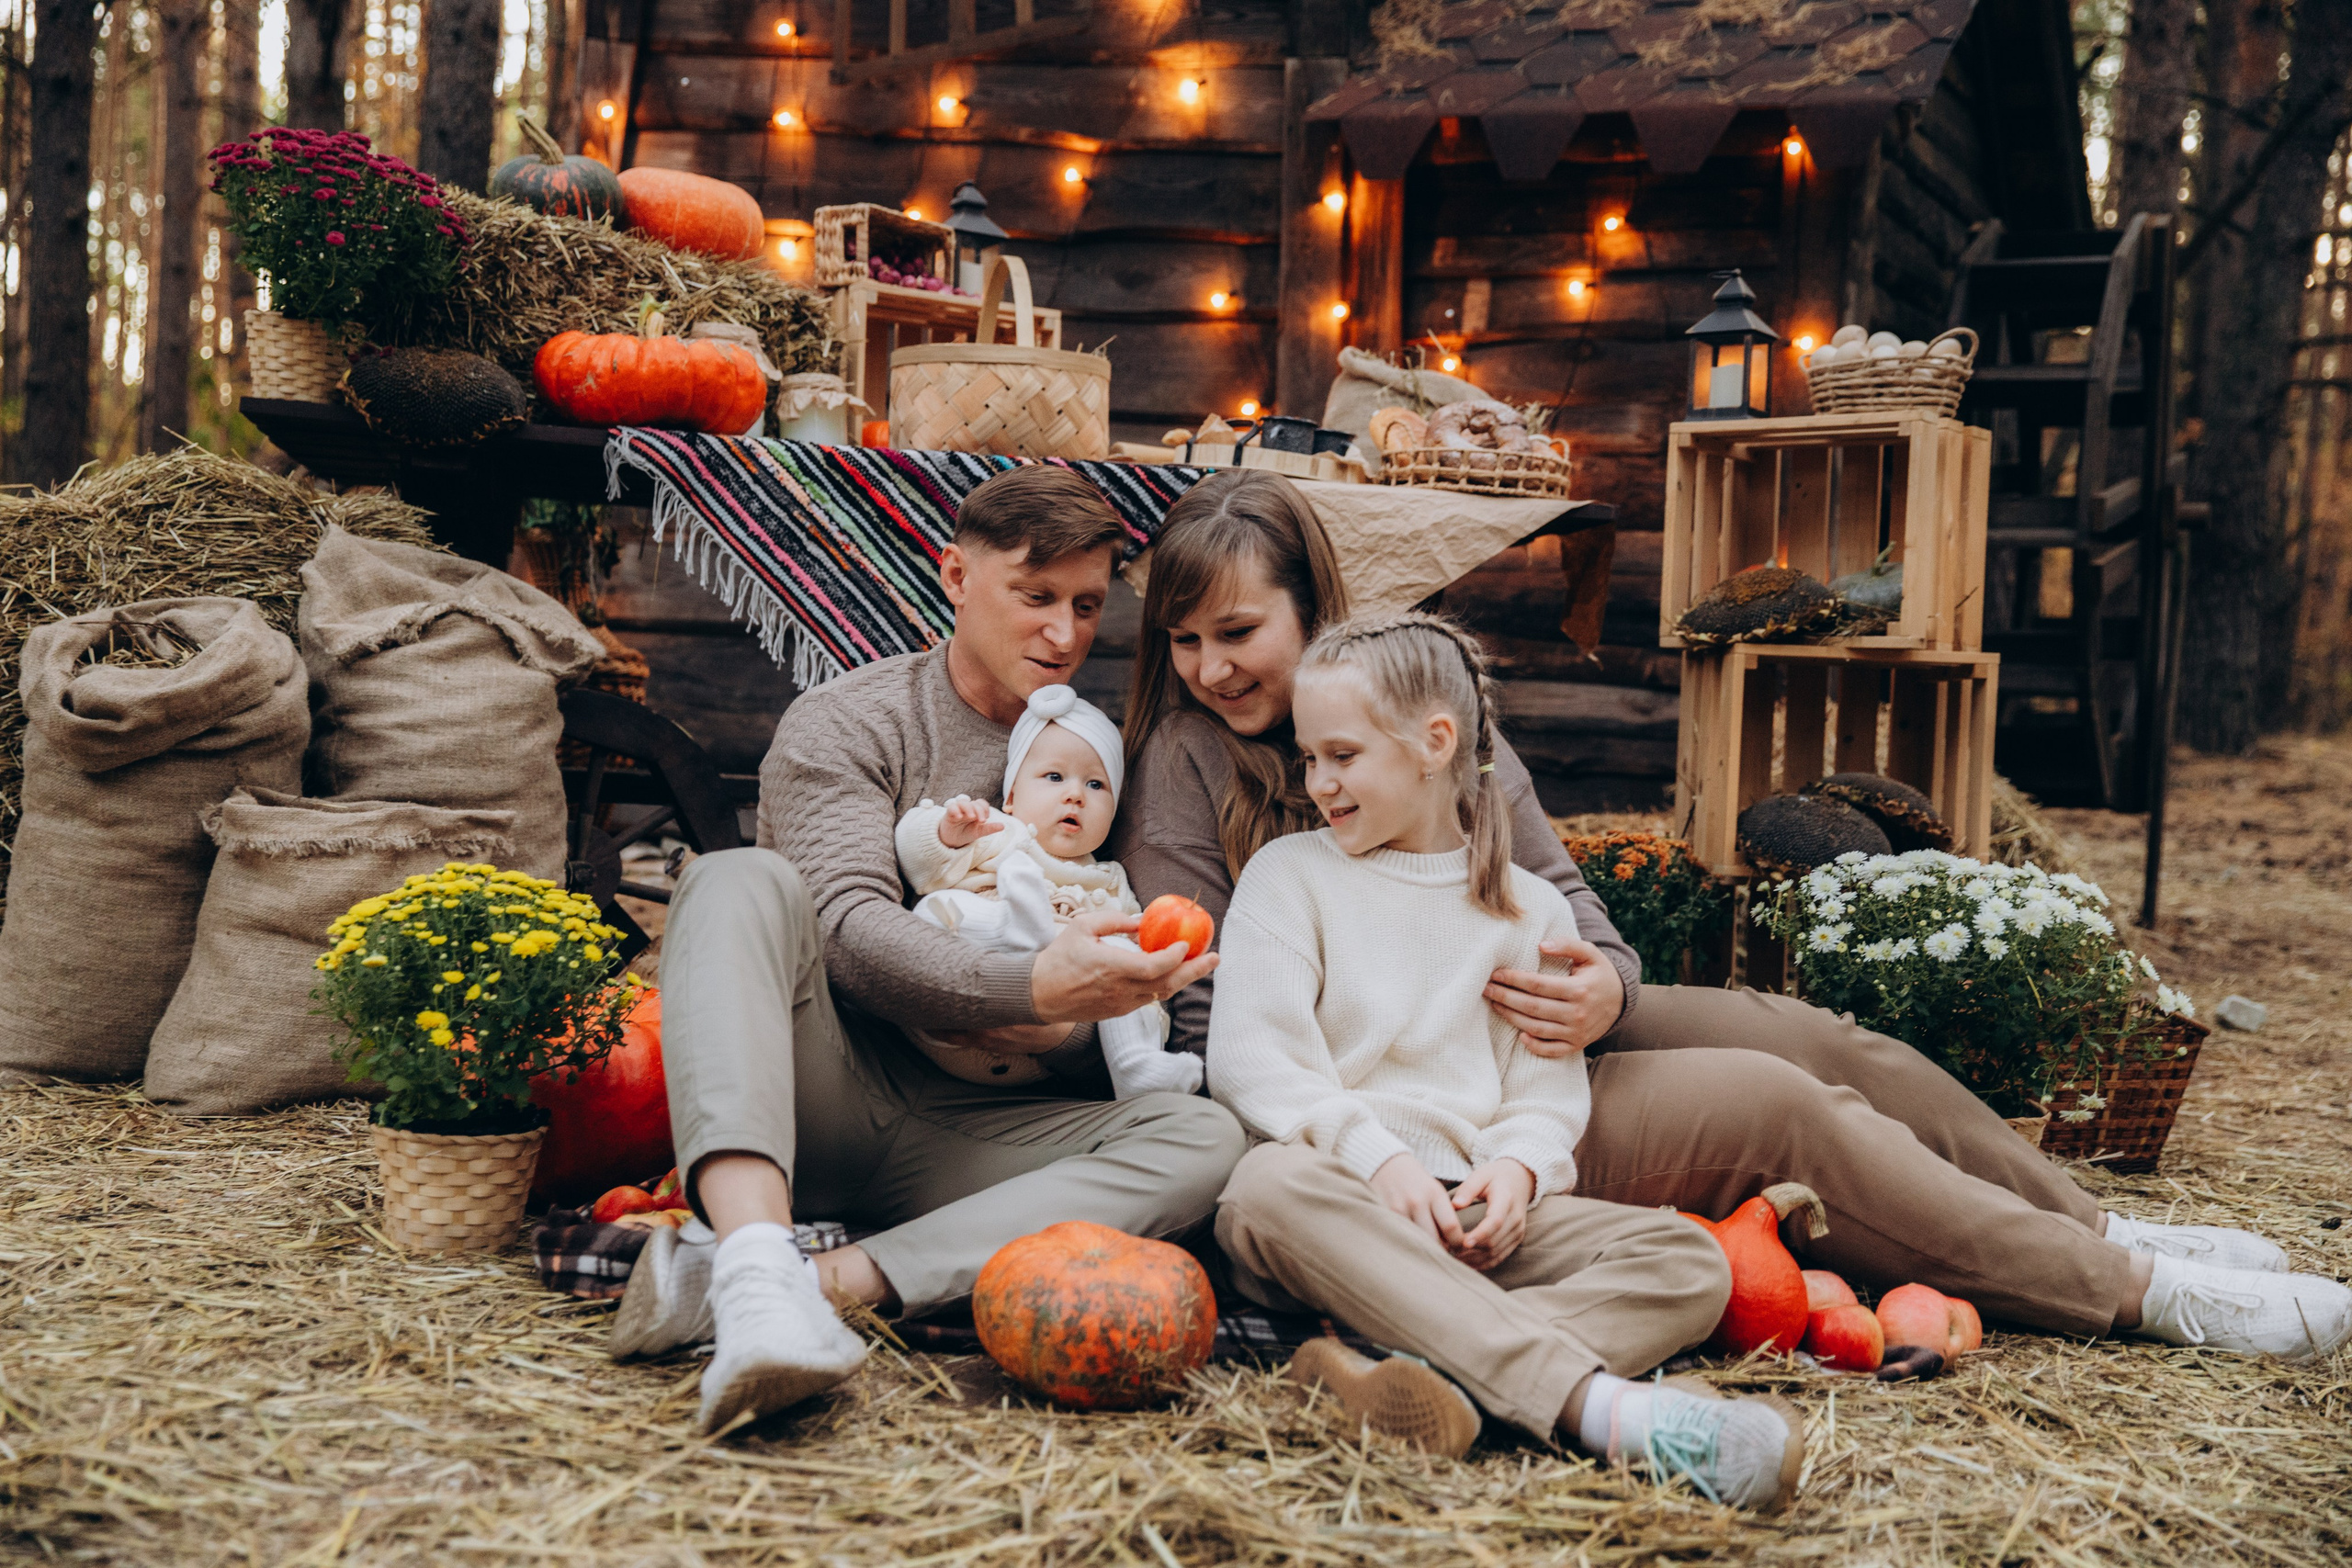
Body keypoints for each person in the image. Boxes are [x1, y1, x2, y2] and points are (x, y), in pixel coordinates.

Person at [1110, 469, 2350, 1418]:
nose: (1211, 666)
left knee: (1815, 1037)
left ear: (1311, 609)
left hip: (1536, 1024)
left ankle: (2101, 1233)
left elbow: (1553, 895)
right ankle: (2130, 1292)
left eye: (1238, 630)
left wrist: (1603, 986)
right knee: (1774, 1100)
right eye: (1184, 639)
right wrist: (1394, 1128)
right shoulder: (1193, 766)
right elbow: (1213, 1006)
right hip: (1406, 1081)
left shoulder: (1419, 707)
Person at [622, 465, 1240, 1435]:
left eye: (1086, 605)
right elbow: (847, 930)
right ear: (954, 577)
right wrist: (1028, 985)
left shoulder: (1107, 758)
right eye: (1034, 598)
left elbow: (1118, 972)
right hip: (829, 1095)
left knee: (1206, 1138)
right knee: (736, 878)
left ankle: (811, 1290)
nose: (1065, 635)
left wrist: (1071, 1028)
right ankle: (751, 1254)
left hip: (988, 1135)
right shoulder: (853, 721)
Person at [1210, 608, 1806, 1510]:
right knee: (1261, 1186)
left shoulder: (1525, 911)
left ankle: (1417, 1378)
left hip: (1470, 1218)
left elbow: (1542, 1086)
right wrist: (1379, 1160)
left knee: (1689, 1262)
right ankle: (1605, 1410)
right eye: (1309, 758)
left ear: (1432, 743)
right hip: (1335, 1207)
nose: (1317, 782)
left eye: (1340, 755)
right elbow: (1256, 1061)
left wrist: (1519, 1170)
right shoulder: (1290, 877)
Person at [894, 682, 1201, 1098]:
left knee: (1128, 961)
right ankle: (1010, 928)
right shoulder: (999, 834)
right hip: (953, 1015)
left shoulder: (1110, 880)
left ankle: (1135, 1065)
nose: (1074, 794)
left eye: (1096, 785)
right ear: (1012, 796)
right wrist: (947, 833)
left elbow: (1135, 965)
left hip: (1036, 1061)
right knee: (936, 907)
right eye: (1054, 777)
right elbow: (922, 868)